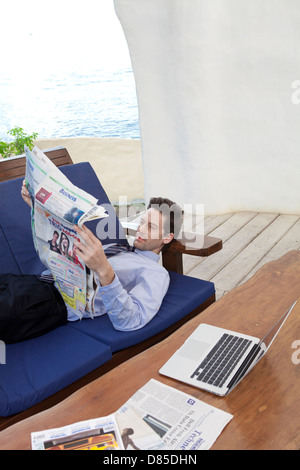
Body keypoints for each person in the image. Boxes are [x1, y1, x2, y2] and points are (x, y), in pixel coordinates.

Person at [8, 181, 183, 337]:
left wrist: (103, 269)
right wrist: (38, 209)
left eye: (150, 226)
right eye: (142, 222)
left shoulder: (155, 273)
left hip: (48, 302)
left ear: (167, 237)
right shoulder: (119, 248)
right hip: (32, 281)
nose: (141, 229)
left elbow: (130, 321)